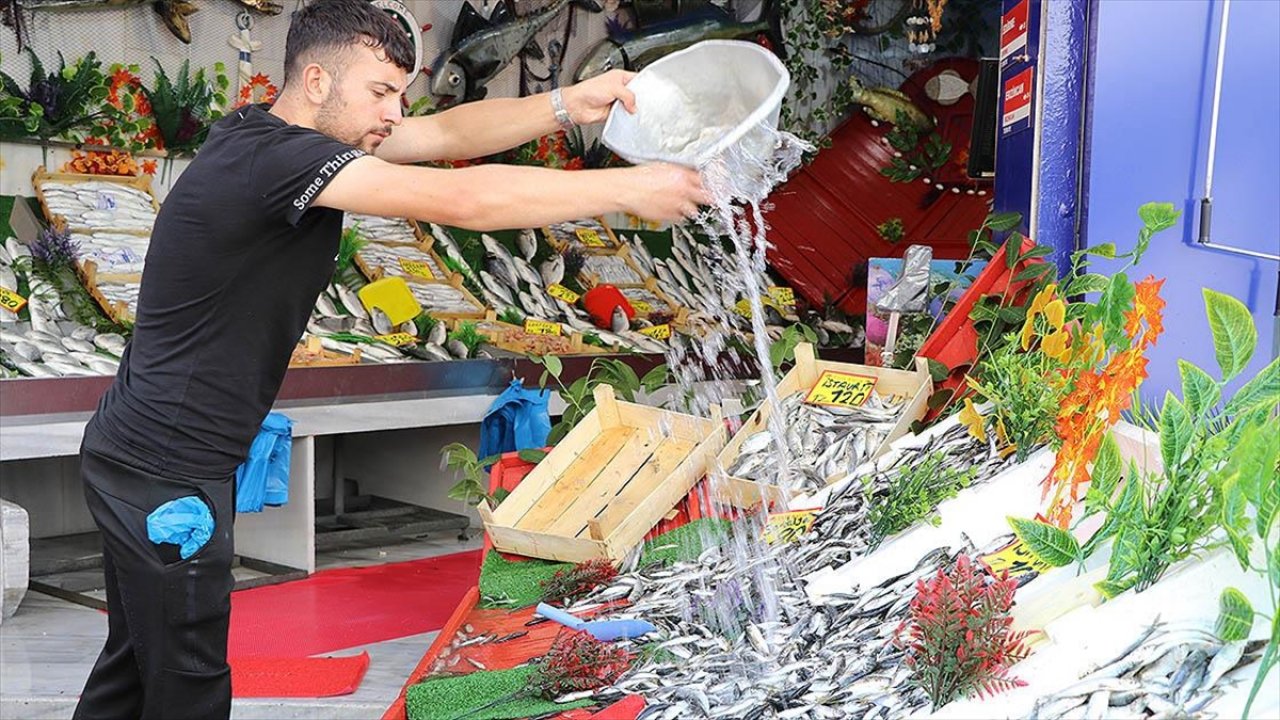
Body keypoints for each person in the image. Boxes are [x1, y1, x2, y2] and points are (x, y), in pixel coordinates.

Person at [72, 0, 708, 717]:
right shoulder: (277, 160)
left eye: (400, 94)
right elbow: (459, 198)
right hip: (168, 472)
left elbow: (444, 133)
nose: (395, 112)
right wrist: (629, 187)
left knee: (134, 667)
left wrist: (566, 104)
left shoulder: (267, 133)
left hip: (144, 453)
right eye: (380, 92)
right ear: (316, 81)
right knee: (186, 682)